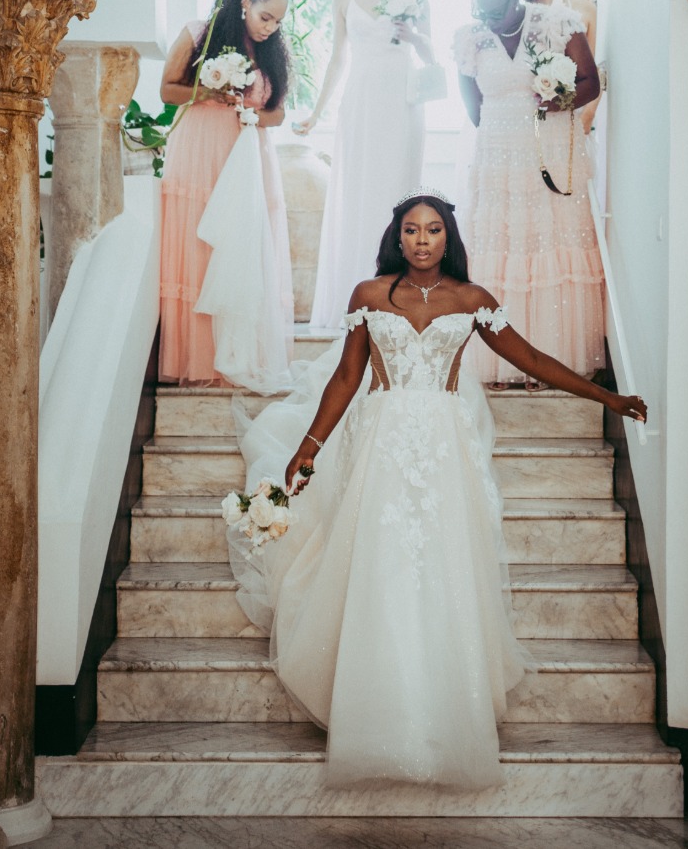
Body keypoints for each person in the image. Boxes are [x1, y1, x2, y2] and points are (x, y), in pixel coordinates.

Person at [228, 193, 647, 790]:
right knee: (382, 567)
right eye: (411, 230)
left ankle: (447, 713)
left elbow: (528, 357)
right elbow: (348, 376)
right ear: (397, 239)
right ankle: (374, 714)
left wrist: (607, 396)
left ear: (447, 237)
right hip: (382, 441)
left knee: (442, 567)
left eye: (432, 230)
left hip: (445, 449)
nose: (422, 240)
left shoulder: (473, 301)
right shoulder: (369, 296)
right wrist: (309, 446)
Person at [453, 0, 606, 385]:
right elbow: (474, 108)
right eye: (480, 8)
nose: (488, 16)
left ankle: (553, 358)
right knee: (502, 251)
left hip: (550, 149)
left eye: (495, 8)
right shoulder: (469, 39)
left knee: (549, 243)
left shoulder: (557, 24)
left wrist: (560, 102)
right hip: (498, 158)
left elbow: (591, 81)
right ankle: (499, 362)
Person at [295, 0, 436, 327]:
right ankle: (358, 294)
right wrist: (317, 112)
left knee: (397, 191)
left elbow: (432, 55)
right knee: (359, 191)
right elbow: (338, 58)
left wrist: (411, 35)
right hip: (361, 98)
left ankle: (401, 298)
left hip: (402, 98)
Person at [158, 0, 294, 386]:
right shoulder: (199, 33)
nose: (270, 28)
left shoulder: (272, 52)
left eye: (277, 22)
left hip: (249, 156)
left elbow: (278, 114)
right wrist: (209, 92)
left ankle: (241, 352)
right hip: (201, 152)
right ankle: (197, 360)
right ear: (244, 4)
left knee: (245, 247)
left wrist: (250, 113)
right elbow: (167, 90)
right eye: (266, 17)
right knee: (202, 245)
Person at [522, 0, 601, 133]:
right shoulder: (525, 15)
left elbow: (595, 69)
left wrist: (587, 116)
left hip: (574, 117)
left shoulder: (586, 10)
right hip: (530, 117)